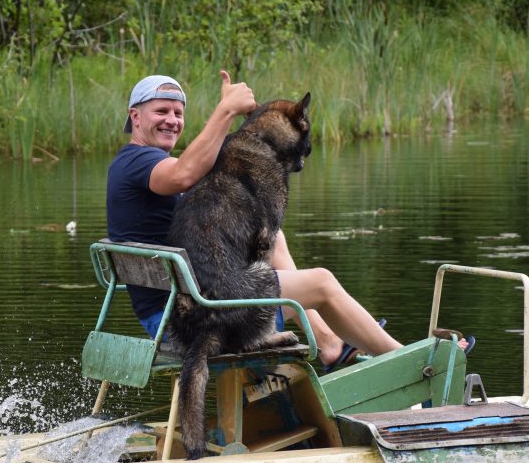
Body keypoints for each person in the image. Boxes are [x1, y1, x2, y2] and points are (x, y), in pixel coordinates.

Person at [107, 71, 470, 370]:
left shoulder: (137, 164)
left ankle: (329, 341)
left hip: (184, 309)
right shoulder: (139, 164)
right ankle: (409, 361)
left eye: (177, 112)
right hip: (192, 321)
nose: (172, 120)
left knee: (273, 240)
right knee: (322, 283)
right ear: (135, 116)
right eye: (161, 111)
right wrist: (226, 111)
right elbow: (186, 173)